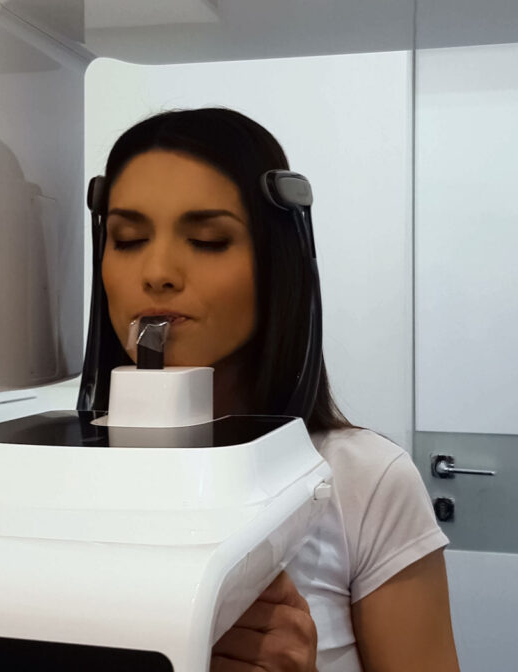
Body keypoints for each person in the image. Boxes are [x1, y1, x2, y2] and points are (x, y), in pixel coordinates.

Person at [85, 108, 460, 672]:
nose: (157, 271)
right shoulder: (49, 475)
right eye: (129, 238)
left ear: (275, 264)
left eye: (208, 240)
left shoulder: (364, 483)